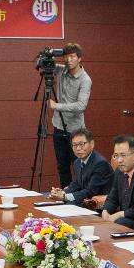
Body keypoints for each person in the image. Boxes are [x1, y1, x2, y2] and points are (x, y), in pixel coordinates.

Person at [48, 43, 92, 189]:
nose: (68, 60)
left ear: (79, 58)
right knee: (62, 166)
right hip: (59, 127)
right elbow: (43, 66)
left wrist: (57, 106)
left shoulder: (85, 79)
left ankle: (80, 197)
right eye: (66, 56)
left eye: (72, 56)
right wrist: (49, 55)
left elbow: (81, 106)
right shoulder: (61, 71)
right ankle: (65, 196)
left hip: (76, 130)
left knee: (79, 166)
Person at [48, 127, 113, 205]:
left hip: (97, 205)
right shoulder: (77, 162)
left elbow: (90, 192)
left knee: (64, 206)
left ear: (92, 144)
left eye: (82, 144)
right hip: (83, 200)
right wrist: (60, 193)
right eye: (74, 145)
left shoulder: (100, 164)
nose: (78, 148)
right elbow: (75, 185)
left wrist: (64, 196)